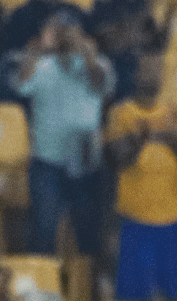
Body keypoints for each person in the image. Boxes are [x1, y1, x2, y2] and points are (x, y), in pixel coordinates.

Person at [11, 10, 114, 259]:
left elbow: (102, 84)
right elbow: (21, 86)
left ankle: (90, 288)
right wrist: (35, 51)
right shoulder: (41, 66)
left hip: (85, 159)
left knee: (88, 234)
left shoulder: (97, 64)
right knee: (43, 232)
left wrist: (88, 54)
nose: (65, 38)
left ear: (81, 35)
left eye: (71, 32)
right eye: (59, 32)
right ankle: (43, 289)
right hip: (47, 161)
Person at [105, 50, 177, 301]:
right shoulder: (120, 113)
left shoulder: (175, 112)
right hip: (135, 216)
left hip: (175, 214)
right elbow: (117, 157)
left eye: (156, 69)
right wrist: (142, 138)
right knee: (136, 298)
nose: (151, 75)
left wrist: (168, 136)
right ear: (135, 74)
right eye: (145, 69)